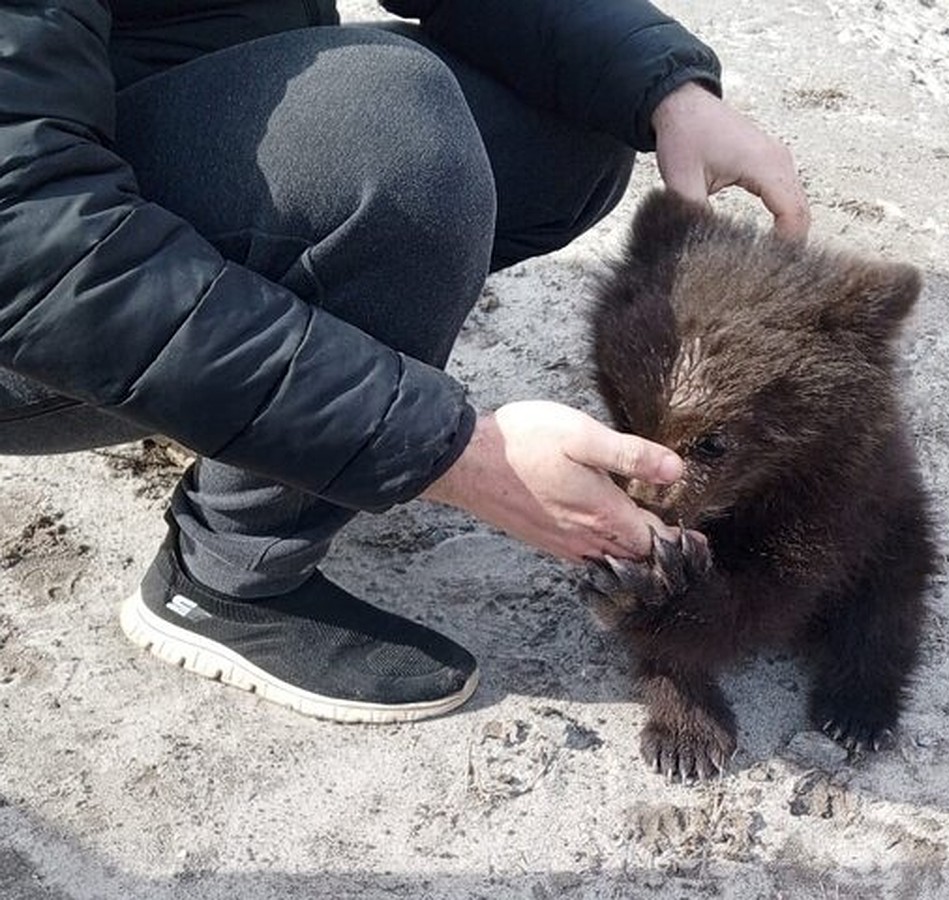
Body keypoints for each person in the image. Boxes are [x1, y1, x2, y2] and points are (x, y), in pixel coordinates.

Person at [0, 0, 810, 723]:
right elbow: (38, 255)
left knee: (571, 114)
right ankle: (227, 577)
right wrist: (453, 452)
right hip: (40, 301)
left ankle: (250, 400)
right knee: (389, 126)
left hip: (136, 130)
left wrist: (666, 87)